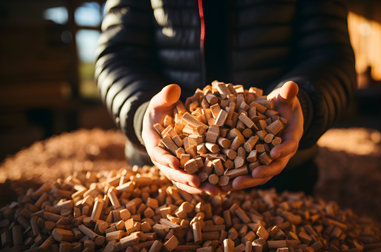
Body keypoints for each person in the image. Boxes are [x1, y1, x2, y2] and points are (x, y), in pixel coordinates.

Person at [96, 0, 356, 195]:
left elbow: (331, 54)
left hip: (283, 176)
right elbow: (118, 55)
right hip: (163, 172)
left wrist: (306, 103)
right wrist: (142, 112)